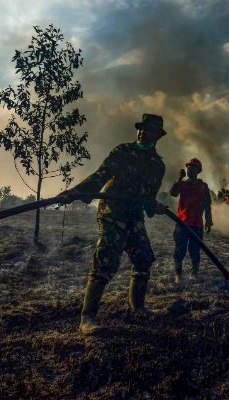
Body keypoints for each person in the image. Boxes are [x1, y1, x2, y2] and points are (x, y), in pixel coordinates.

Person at [59, 113, 167, 335]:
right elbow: (102, 175)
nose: (142, 132)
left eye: (148, 130)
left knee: (144, 258)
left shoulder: (158, 166)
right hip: (112, 213)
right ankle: (87, 319)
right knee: (106, 262)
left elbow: (148, 197)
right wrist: (79, 191)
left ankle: (137, 309)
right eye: (140, 128)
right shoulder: (123, 152)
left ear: (157, 135)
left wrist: (154, 206)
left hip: (134, 217)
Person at [169, 158, 213, 283]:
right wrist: (179, 179)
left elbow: (207, 205)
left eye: (193, 168)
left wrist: (209, 221)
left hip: (197, 224)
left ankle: (194, 273)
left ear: (198, 171)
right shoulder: (182, 184)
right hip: (182, 223)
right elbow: (173, 193)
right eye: (188, 168)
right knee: (179, 249)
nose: (189, 170)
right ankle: (178, 274)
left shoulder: (203, 187)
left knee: (195, 250)